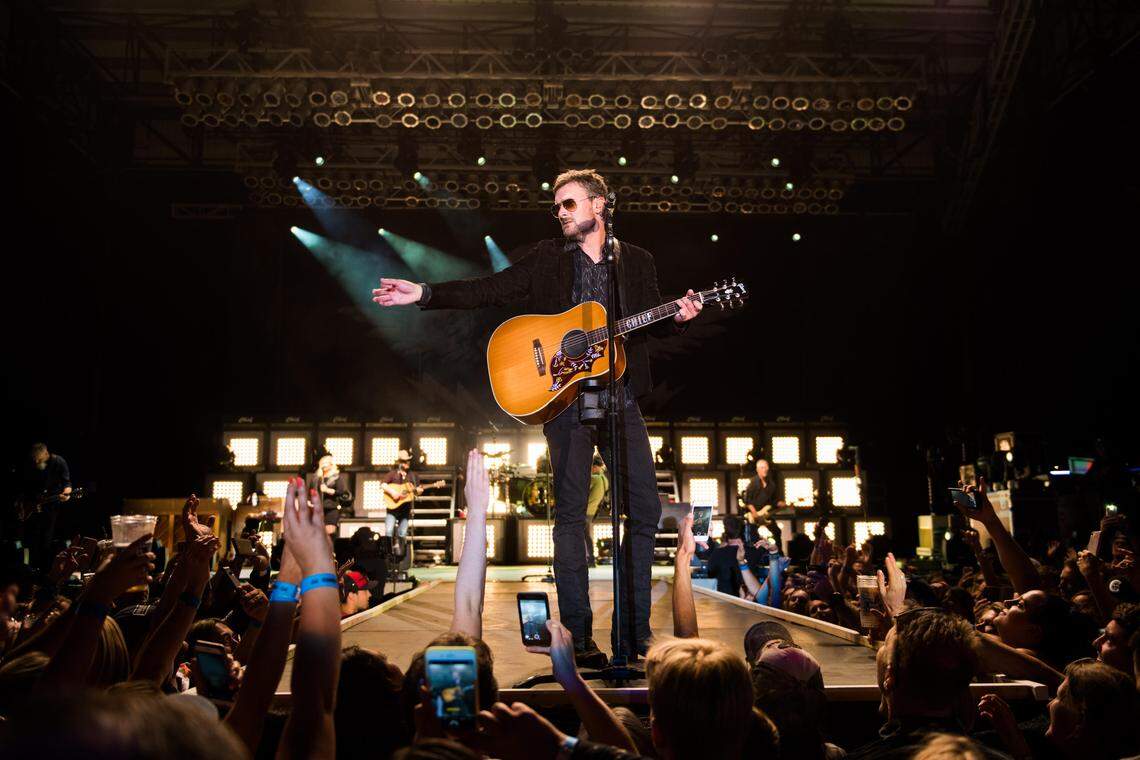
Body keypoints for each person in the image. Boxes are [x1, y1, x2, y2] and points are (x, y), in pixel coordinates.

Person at [373, 169, 704, 664]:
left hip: (622, 396)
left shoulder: (635, 261)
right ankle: (580, 640)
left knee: (646, 510)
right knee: (571, 517)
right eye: (557, 206)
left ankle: (633, 636)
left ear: (599, 204)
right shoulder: (548, 258)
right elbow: (491, 288)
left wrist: (676, 318)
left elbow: (649, 326)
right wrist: (424, 293)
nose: (561, 213)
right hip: (564, 400)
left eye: (569, 204)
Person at [19, 442, 73, 570]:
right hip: (33, 509)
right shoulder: (33, 465)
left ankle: (46, 570)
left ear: (46, 454)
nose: (37, 462)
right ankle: (30, 570)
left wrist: (66, 493)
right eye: (35, 459)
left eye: (39, 459)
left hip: (51, 507)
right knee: (31, 541)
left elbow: (67, 484)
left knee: (47, 541)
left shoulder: (58, 462)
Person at [382, 450, 422, 558]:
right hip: (392, 507)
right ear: (399, 462)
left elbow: (417, 490)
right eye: (404, 461)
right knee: (389, 530)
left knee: (402, 532)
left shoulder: (413, 476)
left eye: (408, 461)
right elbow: (383, 485)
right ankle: (388, 555)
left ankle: (400, 556)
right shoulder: (392, 474)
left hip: (405, 508)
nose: (406, 463)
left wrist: (418, 491)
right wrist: (393, 492)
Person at [740, 458, 785, 548]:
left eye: (766, 468)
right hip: (754, 514)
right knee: (752, 535)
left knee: (777, 531)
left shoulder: (771, 484)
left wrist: (778, 503)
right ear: (758, 469)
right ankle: (753, 552)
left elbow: (771, 501)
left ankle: (779, 552)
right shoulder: (753, 482)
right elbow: (748, 500)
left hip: (765, 513)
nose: (765, 470)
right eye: (763, 468)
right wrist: (755, 514)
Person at [310, 454, 352, 536]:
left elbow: (342, 492)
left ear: (331, 464)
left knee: (329, 533)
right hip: (318, 509)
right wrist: (309, 501)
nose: (324, 465)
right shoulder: (316, 478)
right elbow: (310, 491)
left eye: (326, 463)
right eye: (322, 463)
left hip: (331, 509)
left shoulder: (336, 478)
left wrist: (328, 490)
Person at [584, 455, 608, 566]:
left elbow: (582, 488)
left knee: (584, 536)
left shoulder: (594, 478)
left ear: (595, 466)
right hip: (592, 512)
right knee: (586, 536)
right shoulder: (604, 479)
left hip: (585, 510)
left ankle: (590, 559)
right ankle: (590, 558)